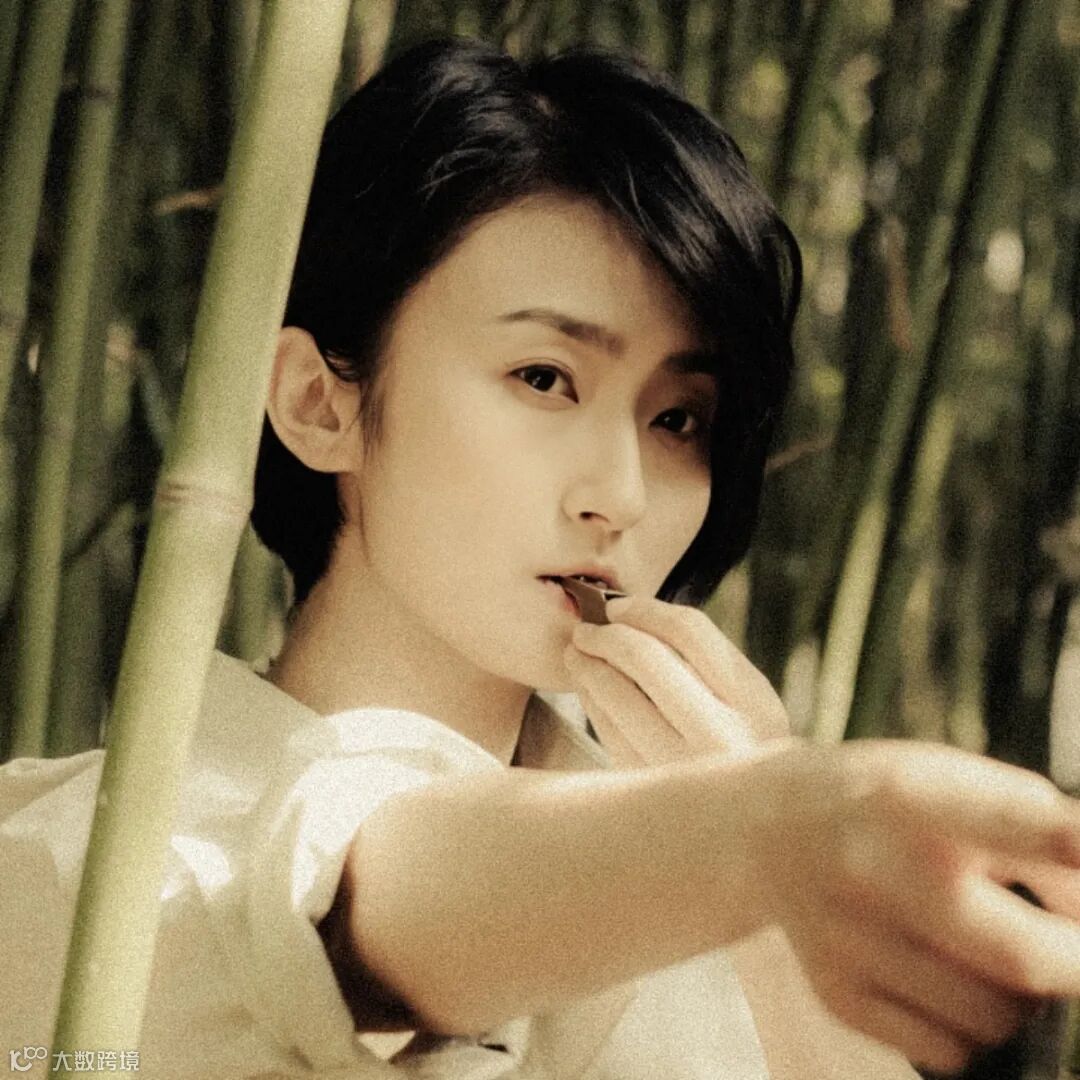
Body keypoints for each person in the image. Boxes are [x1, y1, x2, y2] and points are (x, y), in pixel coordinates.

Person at [5, 36, 1080, 1080]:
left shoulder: (718, 877)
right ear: (318, 403)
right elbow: (358, 893)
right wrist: (770, 833)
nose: (621, 495)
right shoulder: (62, 864)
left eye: (678, 420)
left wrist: (766, 888)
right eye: (544, 378)